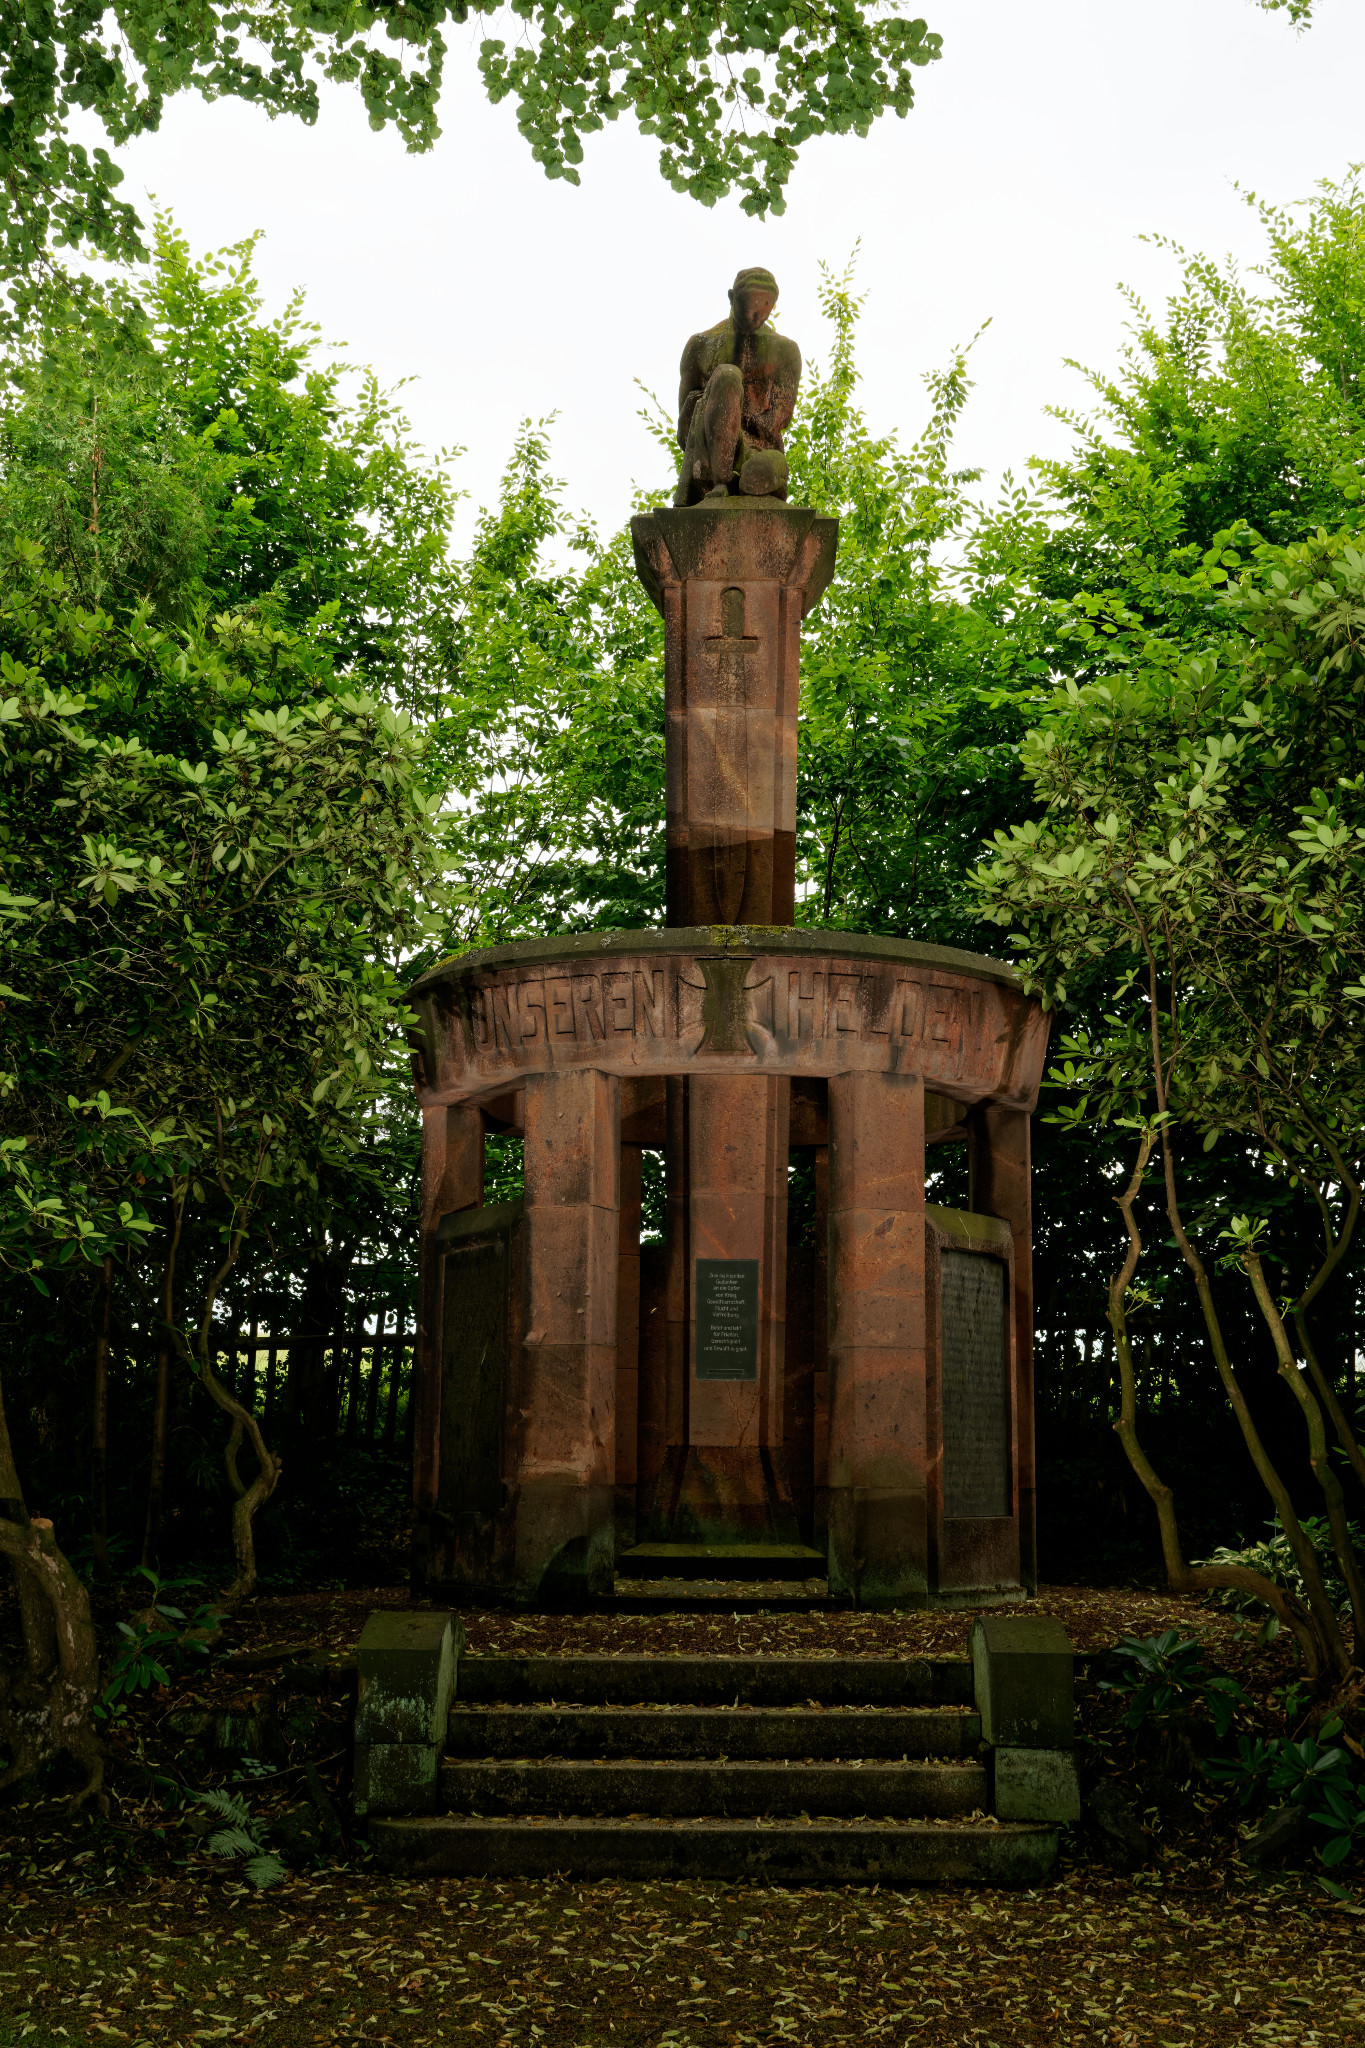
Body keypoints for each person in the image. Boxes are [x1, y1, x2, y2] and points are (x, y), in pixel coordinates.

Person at [673, 267, 802, 507]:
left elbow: (780, 418)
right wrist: (721, 407)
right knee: (728, 375)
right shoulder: (700, 346)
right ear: (732, 298)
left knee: (762, 470)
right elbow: (685, 427)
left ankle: (746, 475)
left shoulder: (785, 351)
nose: (757, 319)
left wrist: (738, 432)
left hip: (759, 451)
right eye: (750, 310)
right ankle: (722, 482)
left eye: (764, 312)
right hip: (709, 458)